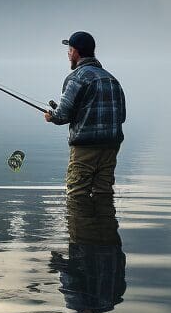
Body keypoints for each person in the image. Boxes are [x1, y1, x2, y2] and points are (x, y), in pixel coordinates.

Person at [43, 31, 126, 198]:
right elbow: (122, 116)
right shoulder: (112, 80)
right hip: (111, 146)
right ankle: (105, 222)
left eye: (69, 50)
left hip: (85, 147)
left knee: (77, 194)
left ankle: (79, 224)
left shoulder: (77, 78)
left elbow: (62, 116)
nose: (68, 54)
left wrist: (51, 117)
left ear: (75, 52)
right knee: (103, 192)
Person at [50, 193, 127, 313]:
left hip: (111, 238)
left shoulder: (113, 301)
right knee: (78, 193)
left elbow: (122, 263)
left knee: (103, 192)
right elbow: (68, 273)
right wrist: (55, 262)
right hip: (84, 239)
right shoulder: (76, 301)